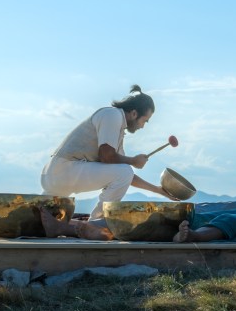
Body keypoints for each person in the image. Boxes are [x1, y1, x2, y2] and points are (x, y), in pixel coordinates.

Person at [40, 85, 177, 227]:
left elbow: (123, 175)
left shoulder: (117, 128)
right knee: (125, 171)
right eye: (145, 120)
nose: (143, 126)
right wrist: (133, 161)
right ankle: (95, 223)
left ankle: (82, 224)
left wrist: (158, 190)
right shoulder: (112, 115)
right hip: (63, 170)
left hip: (55, 174)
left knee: (41, 222)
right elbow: (107, 157)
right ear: (134, 113)